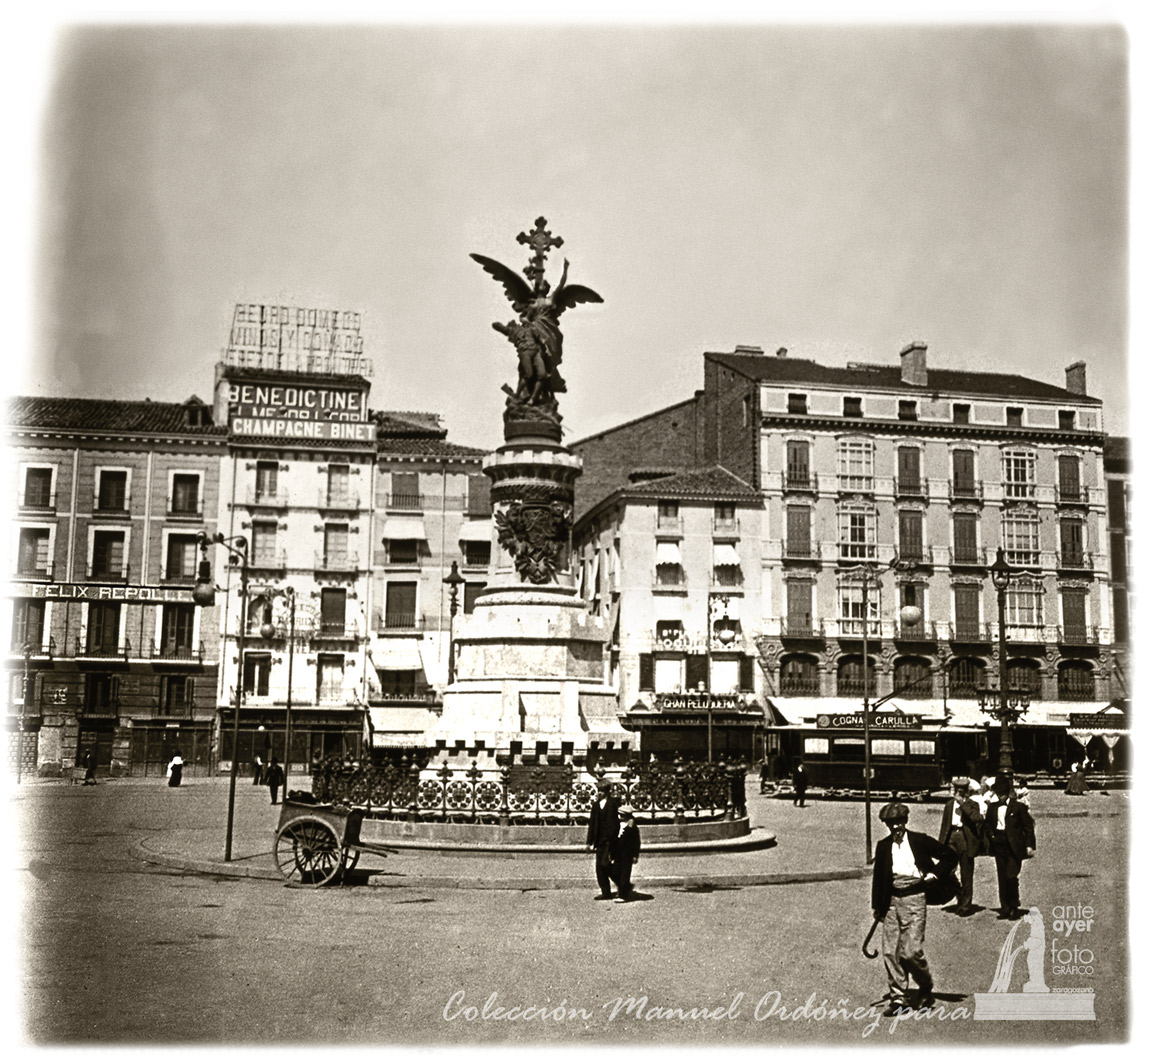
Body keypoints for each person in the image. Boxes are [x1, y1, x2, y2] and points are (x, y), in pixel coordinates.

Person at [871, 800, 959, 1014]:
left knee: (911, 952)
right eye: (891, 824)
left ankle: (925, 985)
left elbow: (950, 856)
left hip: (915, 899)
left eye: (899, 822)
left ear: (905, 821)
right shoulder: (883, 846)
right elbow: (879, 878)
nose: (895, 827)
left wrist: (934, 874)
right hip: (892, 902)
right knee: (891, 951)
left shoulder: (919, 841)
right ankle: (899, 997)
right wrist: (878, 906)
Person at [984, 773, 1036, 920]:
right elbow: (987, 825)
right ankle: (1005, 907)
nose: (999, 796)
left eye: (1002, 794)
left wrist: (1029, 845)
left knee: (1011, 875)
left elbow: (1028, 827)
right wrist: (992, 837)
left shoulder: (1018, 807)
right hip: (999, 844)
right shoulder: (992, 808)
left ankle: (1014, 905)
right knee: (1002, 877)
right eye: (997, 794)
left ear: (1007, 793)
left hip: (1014, 845)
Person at [937, 777, 984, 916]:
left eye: (962, 791)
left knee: (966, 873)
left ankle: (965, 905)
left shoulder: (972, 804)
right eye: (957, 791)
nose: (959, 794)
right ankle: (959, 894)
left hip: (964, 837)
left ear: (966, 792)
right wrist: (941, 844)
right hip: (951, 836)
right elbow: (944, 825)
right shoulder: (949, 805)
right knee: (948, 870)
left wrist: (963, 804)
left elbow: (976, 818)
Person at [586, 776, 621, 900]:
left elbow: (616, 823)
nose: (599, 793)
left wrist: (614, 838)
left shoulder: (613, 804)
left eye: (602, 791)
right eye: (598, 791)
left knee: (606, 864)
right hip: (599, 840)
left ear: (607, 792)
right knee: (599, 868)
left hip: (610, 840)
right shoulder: (596, 805)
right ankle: (606, 892)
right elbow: (592, 824)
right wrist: (589, 842)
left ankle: (622, 883)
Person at [610, 807, 642, 903]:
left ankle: (623, 895)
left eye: (622, 815)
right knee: (615, 871)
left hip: (627, 854)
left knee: (625, 873)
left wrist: (635, 855)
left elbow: (636, 842)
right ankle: (625, 887)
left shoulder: (632, 827)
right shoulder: (618, 824)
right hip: (617, 853)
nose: (620, 817)